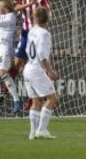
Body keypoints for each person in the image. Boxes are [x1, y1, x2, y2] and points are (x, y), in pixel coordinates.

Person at [14, 0, 51, 111]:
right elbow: (15, 9)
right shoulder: (22, 1)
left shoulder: (42, 0)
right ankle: (8, 92)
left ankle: (33, 99)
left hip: (37, 34)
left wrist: (36, 3)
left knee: (35, 66)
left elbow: (47, 13)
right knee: (17, 64)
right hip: (25, 34)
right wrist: (30, 3)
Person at [24, 7, 58, 139]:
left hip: (28, 68)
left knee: (36, 102)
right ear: (48, 18)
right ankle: (42, 130)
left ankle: (32, 134)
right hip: (37, 70)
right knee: (52, 99)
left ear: (35, 18)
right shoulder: (44, 33)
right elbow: (42, 55)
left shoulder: (32, 31)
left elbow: (28, 50)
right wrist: (50, 71)